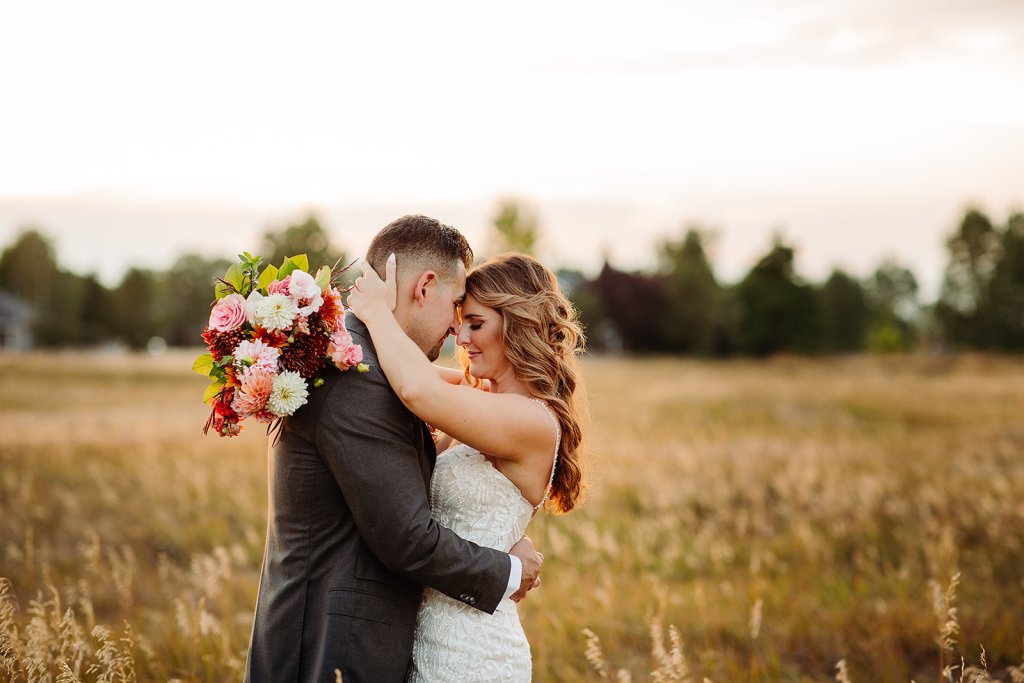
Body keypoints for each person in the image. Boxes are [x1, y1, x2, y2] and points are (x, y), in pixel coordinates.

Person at [244, 215, 543, 683]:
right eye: (457, 305)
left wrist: (498, 531)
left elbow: (438, 398)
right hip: (329, 649)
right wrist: (507, 569)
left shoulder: (370, 366)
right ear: (424, 288)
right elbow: (406, 537)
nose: (457, 331)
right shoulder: (358, 381)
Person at [346, 249, 587, 682]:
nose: (461, 338)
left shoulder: (532, 420)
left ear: (519, 326)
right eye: (461, 323)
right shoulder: (479, 399)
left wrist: (376, 312)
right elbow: (389, 372)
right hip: (425, 640)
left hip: (476, 652)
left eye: (476, 324)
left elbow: (416, 389)